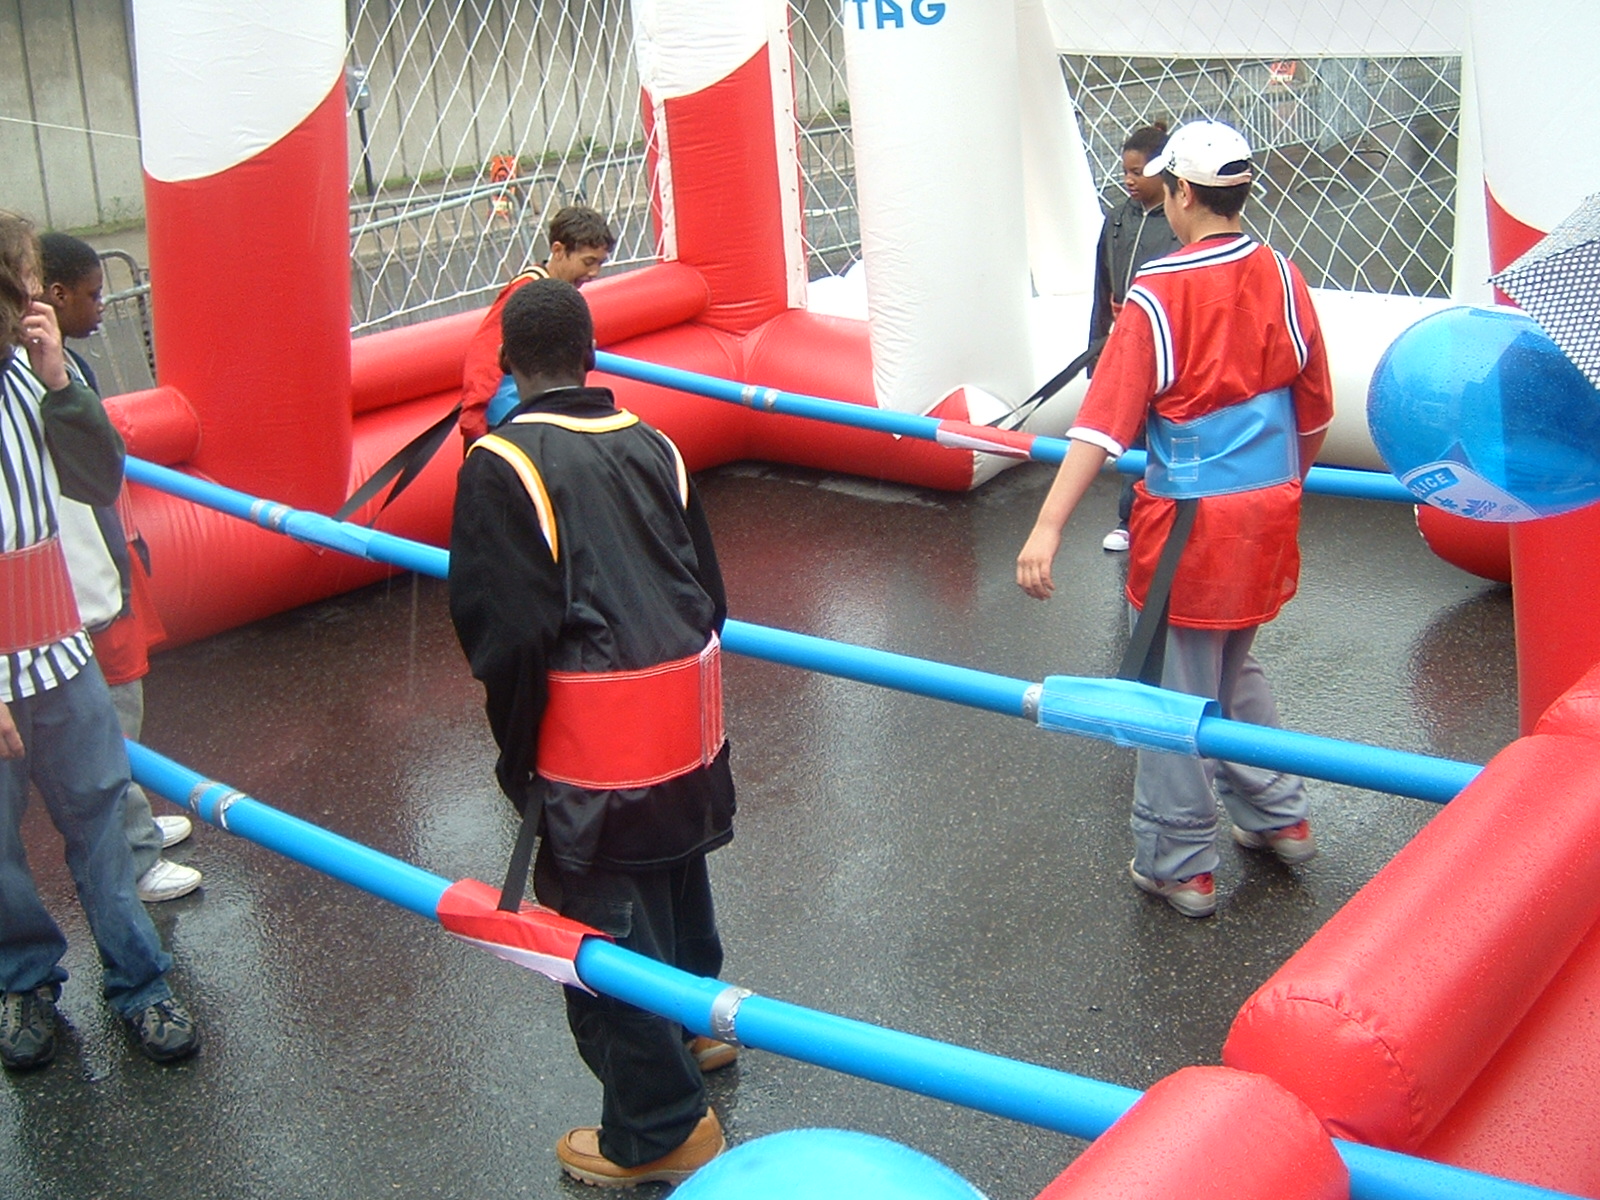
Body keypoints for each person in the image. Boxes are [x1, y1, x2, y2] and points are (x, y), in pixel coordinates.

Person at [449, 278, 735, 1185]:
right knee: (677, 887)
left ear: (508, 365)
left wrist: (519, 760)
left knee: (602, 938)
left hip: (595, 751)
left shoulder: (503, 462)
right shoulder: (656, 442)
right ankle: (695, 1030)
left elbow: (506, 638)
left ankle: (658, 1129)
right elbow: (710, 593)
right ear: (591, 354)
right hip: (685, 731)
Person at [1015, 121, 1334, 919]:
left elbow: (1103, 422)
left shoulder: (1160, 290)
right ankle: (1278, 814)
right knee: (1231, 664)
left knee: (1170, 687)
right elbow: (1316, 405)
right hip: (1269, 508)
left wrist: (1048, 525)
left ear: (1182, 192)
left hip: (1192, 521)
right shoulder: (1283, 273)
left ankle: (1179, 859)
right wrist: (1280, 485)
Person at [0, 211, 199, 1068]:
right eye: (21, 281)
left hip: (60, 644)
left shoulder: (34, 376)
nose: (31, 298)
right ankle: (24, 984)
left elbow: (97, 477)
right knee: (0, 849)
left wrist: (60, 383)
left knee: (101, 821)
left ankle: (140, 982)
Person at [40, 232, 201, 903]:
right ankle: (133, 857)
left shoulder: (66, 366)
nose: (102, 304)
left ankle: (134, 827)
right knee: (110, 723)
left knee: (121, 712)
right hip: (77, 585)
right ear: (53, 295)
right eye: (92, 294)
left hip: (101, 569)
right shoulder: (40, 379)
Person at [1089, 123, 1181, 553]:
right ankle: (1129, 519)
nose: (1128, 180)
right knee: (1132, 433)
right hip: (1124, 340)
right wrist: (1096, 352)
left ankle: (1177, 515)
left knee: (1170, 430)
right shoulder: (1117, 219)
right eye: (1125, 171)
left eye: (1138, 172)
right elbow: (1101, 286)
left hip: (1167, 345)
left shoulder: (1178, 224)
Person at [458, 204, 616, 450]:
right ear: (558, 250)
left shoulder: (557, 291)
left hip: (537, 413)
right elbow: (485, 352)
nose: (594, 272)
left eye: (600, 263)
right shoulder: (526, 291)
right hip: (510, 417)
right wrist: (474, 413)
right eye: (588, 262)